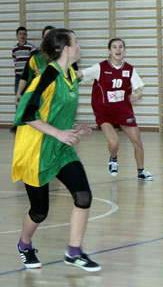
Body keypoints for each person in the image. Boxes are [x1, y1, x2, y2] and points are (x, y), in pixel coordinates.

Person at [12, 28, 101, 272]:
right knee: (39, 212)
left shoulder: (70, 74)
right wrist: (58, 133)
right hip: (36, 151)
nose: (80, 46)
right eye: (77, 42)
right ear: (66, 49)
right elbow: (27, 114)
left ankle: (74, 252)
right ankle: (24, 244)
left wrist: (74, 127)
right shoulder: (46, 76)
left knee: (83, 196)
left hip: (60, 149)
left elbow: (54, 110)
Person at [79, 38, 152, 180]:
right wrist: (52, 72)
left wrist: (137, 95)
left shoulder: (129, 69)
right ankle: (113, 158)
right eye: (114, 47)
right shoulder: (100, 67)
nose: (118, 49)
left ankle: (141, 172)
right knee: (114, 142)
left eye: (120, 47)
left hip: (123, 111)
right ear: (109, 51)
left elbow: (139, 89)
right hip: (105, 112)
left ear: (124, 50)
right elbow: (79, 74)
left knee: (138, 142)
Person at [16, 26, 56, 105]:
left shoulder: (63, 57)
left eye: (52, 36)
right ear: (43, 39)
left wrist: (47, 73)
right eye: (46, 36)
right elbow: (25, 77)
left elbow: (70, 77)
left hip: (56, 99)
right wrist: (19, 93)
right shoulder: (35, 57)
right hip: (38, 99)